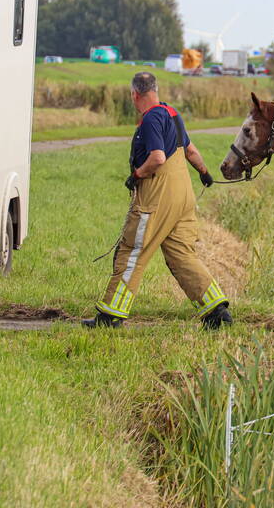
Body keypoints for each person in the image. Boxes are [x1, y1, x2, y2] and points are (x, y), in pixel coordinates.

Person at [84, 72, 233, 329]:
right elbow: (190, 150)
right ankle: (216, 311)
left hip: (158, 195)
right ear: (155, 89)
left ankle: (111, 315)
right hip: (183, 196)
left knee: (132, 252)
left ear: (134, 94)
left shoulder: (151, 118)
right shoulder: (172, 114)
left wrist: (136, 175)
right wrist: (205, 173)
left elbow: (157, 158)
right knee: (181, 255)